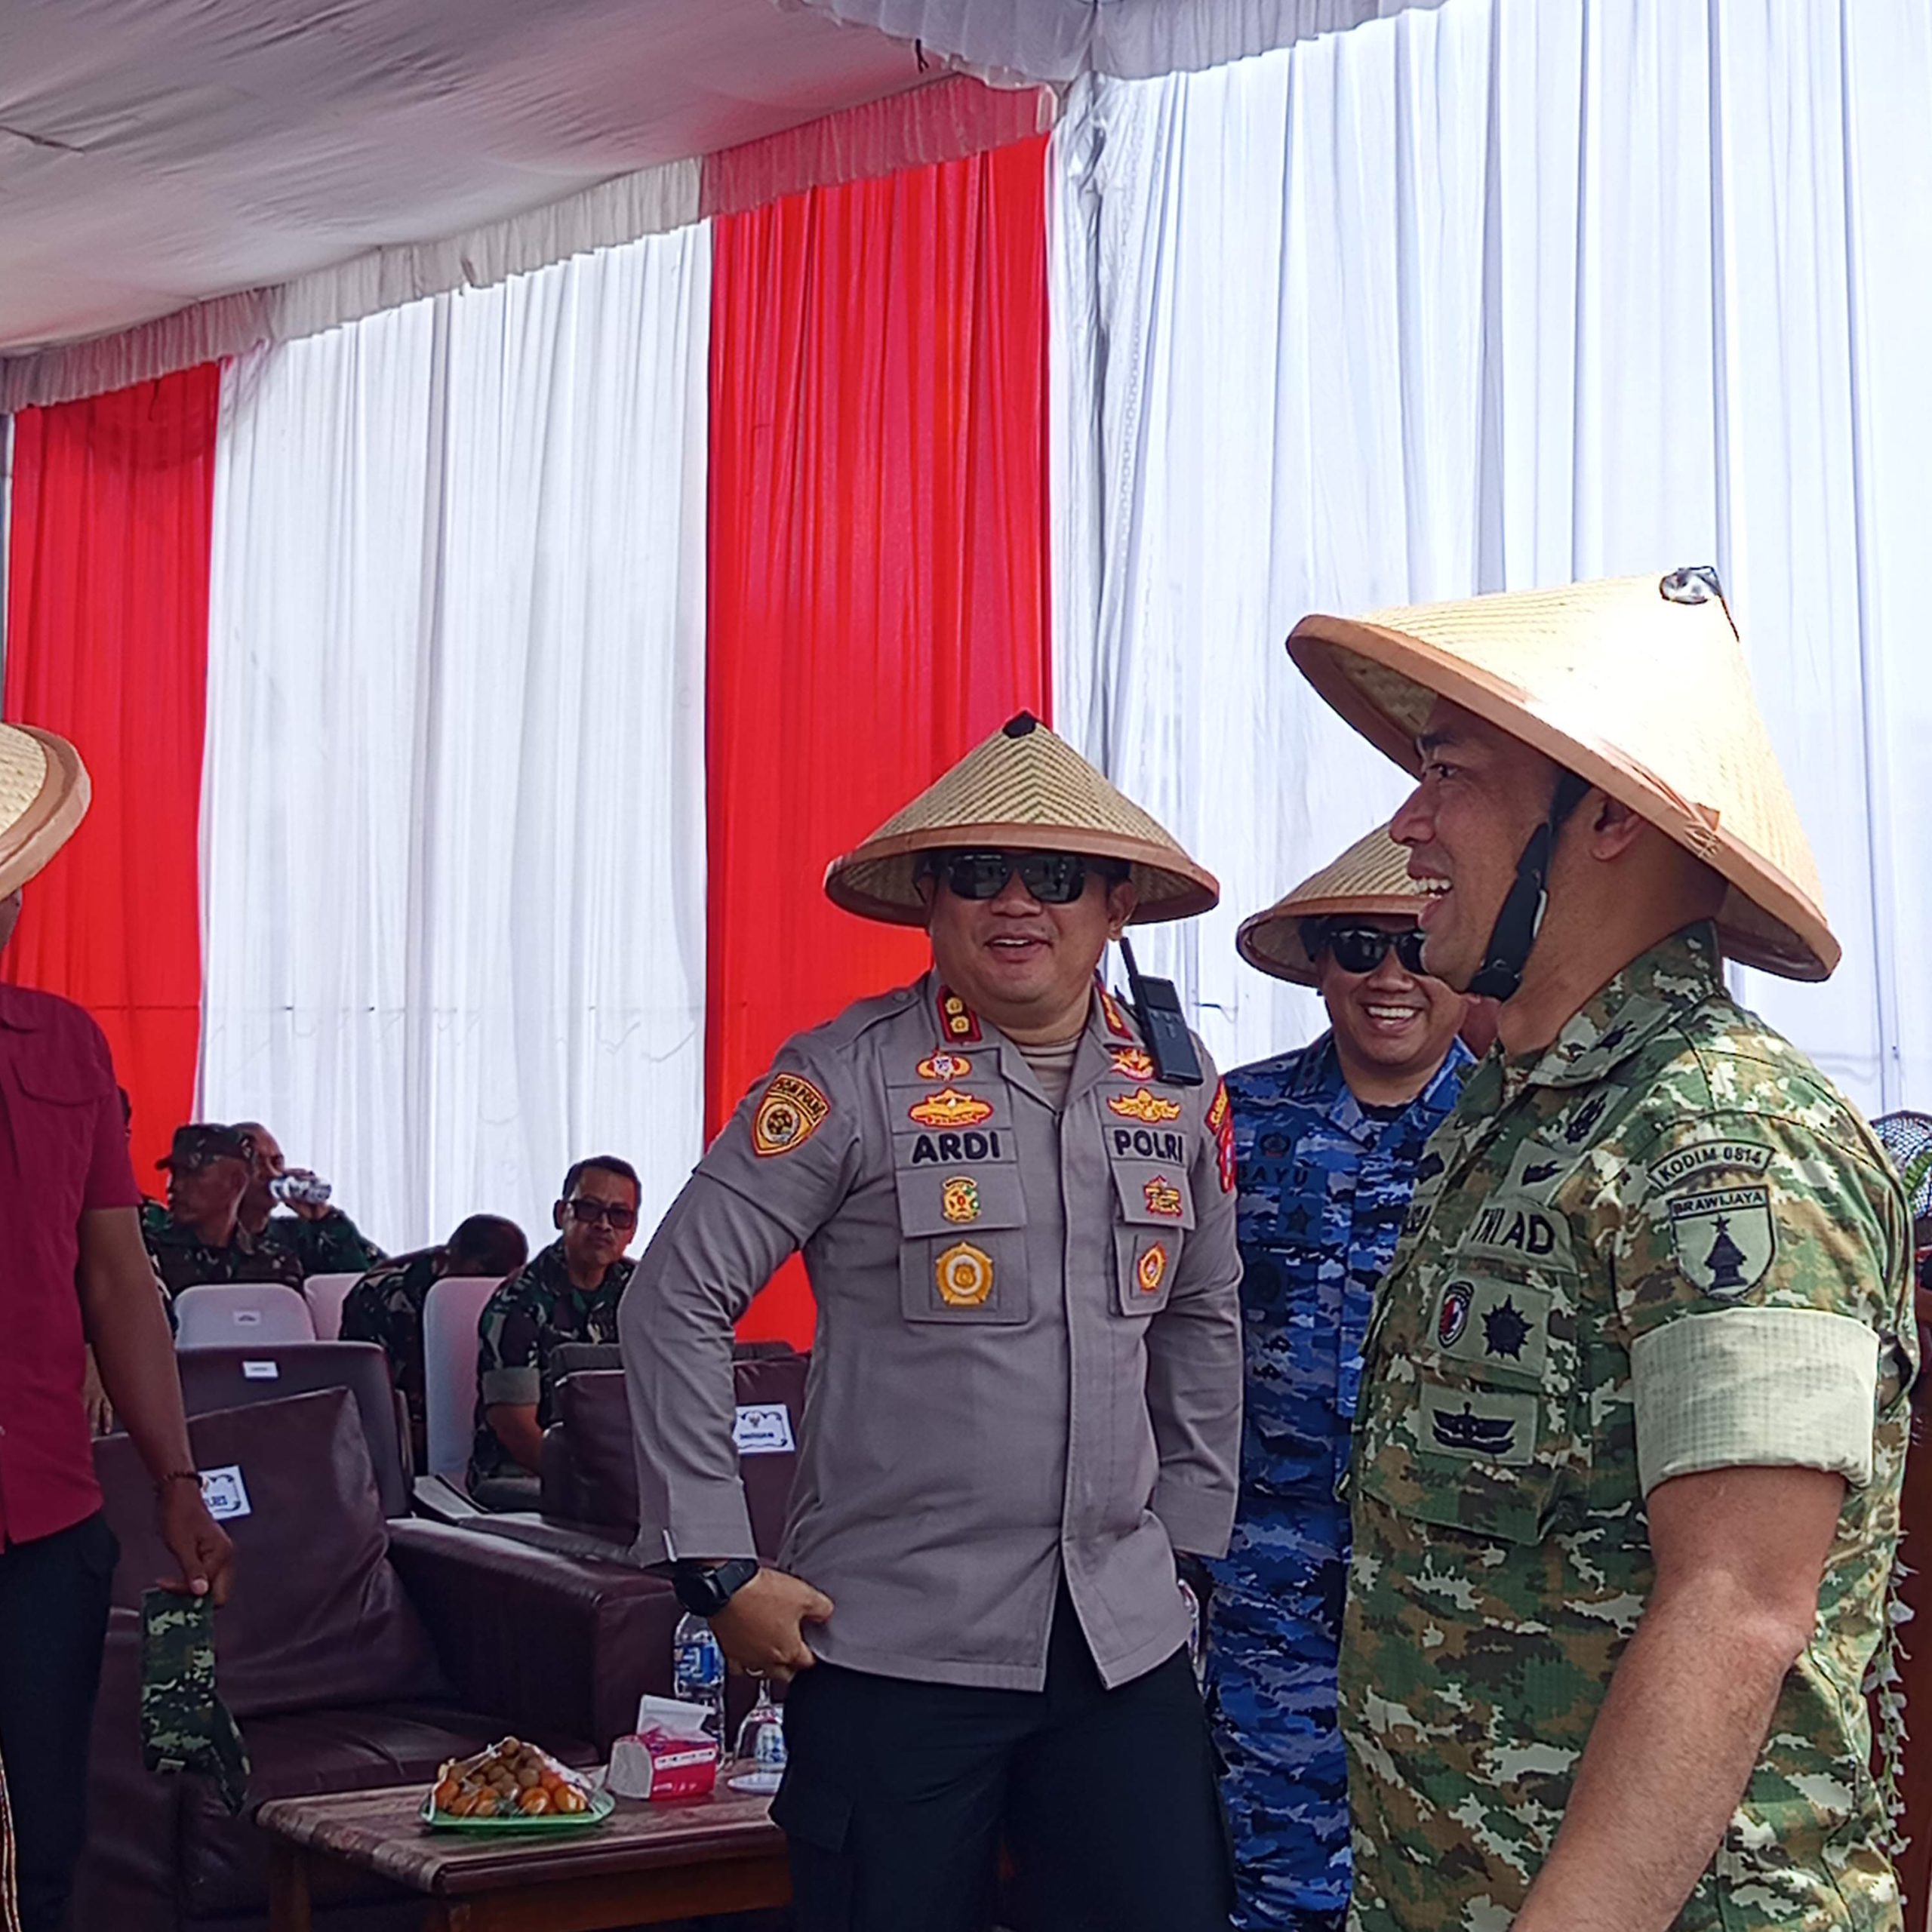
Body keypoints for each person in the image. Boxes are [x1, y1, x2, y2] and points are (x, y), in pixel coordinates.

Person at [1284, 569, 1915, 1931]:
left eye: (1448, 772)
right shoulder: (1519, 1116)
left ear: (1610, 813)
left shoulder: (1723, 1136)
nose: (1406, 825)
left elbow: (1738, 1604)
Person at [623, 712, 1243, 1932]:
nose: (1016, 903)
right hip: (894, 1650)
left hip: (1121, 1650)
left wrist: (1185, 1545)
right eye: (976, 872)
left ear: (1116, 905)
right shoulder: (846, 1076)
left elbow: (1202, 1317)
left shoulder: (1174, 1092)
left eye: (1055, 875)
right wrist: (717, 1564)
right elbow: (675, 1295)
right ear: (928, 900)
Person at [1209, 825, 1475, 1932]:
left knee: (1457, 1882)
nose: (1390, 977)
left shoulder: (1519, 1132)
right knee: (1279, 1887)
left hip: (1458, 1594)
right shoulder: (1231, 1122)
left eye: (1417, 946)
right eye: (1358, 947)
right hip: (1268, 1586)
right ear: (1319, 964)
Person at [0, 724, 235, 1932]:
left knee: (45, 1846)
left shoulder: (65, 1045)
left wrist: (175, 1480)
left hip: (43, 1518)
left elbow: (117, 1282)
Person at [469, 1158, 639, 1509]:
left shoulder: (644, 1293)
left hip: (620, 1473)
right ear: (562, 1214)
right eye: (589, 1209)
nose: (603, 1225)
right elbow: (514, 1428)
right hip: (526, 1475)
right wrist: (595, 1490)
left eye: (619, 1215)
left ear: (632, 1230)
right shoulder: (518, 1302)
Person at [341, 1214, 529, 1467]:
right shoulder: (383, 1296)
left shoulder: (514, 1298)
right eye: (479, 1278)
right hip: (382, 1442)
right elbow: (367, 1399)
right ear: (449, 1261)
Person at [140, 1124, 306, 1301]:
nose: (175, 1186)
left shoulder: (275, 1264)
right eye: (175, 1173)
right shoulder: (149, 1256)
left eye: (191, 1174)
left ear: (236, 1183)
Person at [232, 1120, 385, 1278]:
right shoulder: (219, 1243)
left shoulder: (301, 1236)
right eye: (256, 1164)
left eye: (276, 1162)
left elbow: (372, 1280)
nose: (272, 1173)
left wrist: (324, 1219)